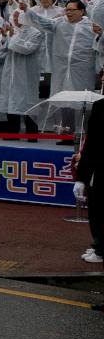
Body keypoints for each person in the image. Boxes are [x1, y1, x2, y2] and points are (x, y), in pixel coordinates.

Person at [28, 0, 100, 95]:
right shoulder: (59, 23)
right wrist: (27, 11)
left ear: (82, 11)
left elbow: (100, 45)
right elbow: (42, 22)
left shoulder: (91, 27)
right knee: (60, 95)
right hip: (60, 68)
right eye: (67, 10)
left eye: (72, 10)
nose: (69, 12)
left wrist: (101, 34)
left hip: (83, 70)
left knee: (81, 96)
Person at [73, 100, 104, 264]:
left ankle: (100, 249)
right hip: (97, 169)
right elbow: (91, 145)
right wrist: (81, 177)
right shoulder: (99, 106)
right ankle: (98, 244)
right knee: (95, 210)